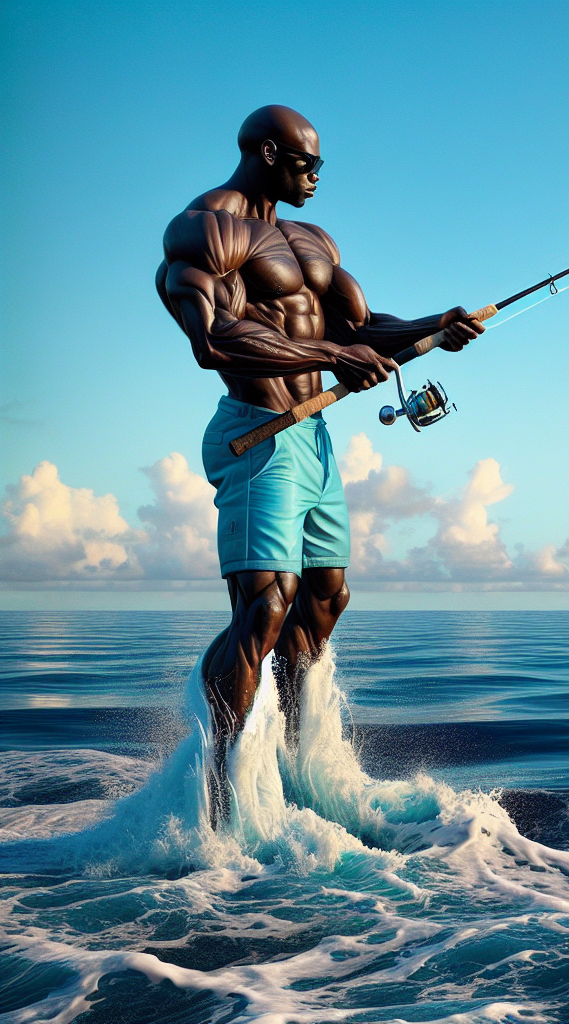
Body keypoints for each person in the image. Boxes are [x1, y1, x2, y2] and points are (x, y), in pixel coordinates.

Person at [156, 105, 484, 826]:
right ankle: (215, 800)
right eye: (307, 163)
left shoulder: (311, 240)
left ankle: (297, 775)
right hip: (260, 432)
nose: (315, 176)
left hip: (316, 443)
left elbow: (365, 331)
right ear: (268, 151)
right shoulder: (205, 229)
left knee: (324, 601)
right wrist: (331, 356)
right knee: (265, 606)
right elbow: (214, 339)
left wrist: (436, 325)